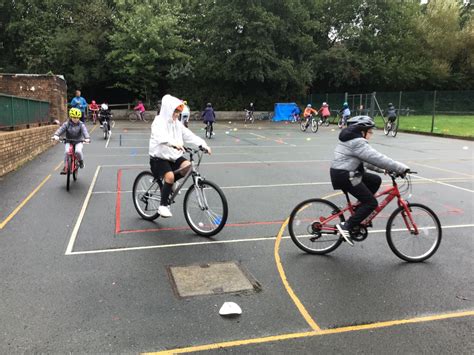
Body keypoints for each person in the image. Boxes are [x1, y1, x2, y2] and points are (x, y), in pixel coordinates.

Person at [330, 116, 409, 246]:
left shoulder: (353, 140)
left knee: (375, 180)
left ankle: (359, 211)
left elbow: (366, 161)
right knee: (371, 203)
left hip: (347, 173)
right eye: (370, 131)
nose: (371, 134)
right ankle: (347, 226)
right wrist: (400, 167)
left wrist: (384, 170)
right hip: (346, 175)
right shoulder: (357, 142)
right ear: (362, 131)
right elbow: (376, 158)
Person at [149, 94, 212, 218]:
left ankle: (171, 183)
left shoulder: (176, 123)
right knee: (170, 176)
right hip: (159, 157)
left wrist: (203, 144)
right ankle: (163, 206)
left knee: (188, 167)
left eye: (179, 112)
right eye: (176, 111)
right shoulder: (158, 122)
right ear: (168, 110)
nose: (177, 114)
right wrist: (173, 143)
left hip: (173, 156)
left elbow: (189, 135)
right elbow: (160, 137)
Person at [53, 108, 91, 173]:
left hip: (78, 141)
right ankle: (65, 166)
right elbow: (61, 129)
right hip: (68, 141)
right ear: (71, 117)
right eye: (74, 117)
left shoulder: (81, 124)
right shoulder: (66, 124)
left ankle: (81, 162)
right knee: (67, 152)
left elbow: (85, 131)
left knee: (78, 151)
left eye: (77, 117)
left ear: (79, 117)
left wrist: (87, 138)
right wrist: (56, 135)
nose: (75, 119)